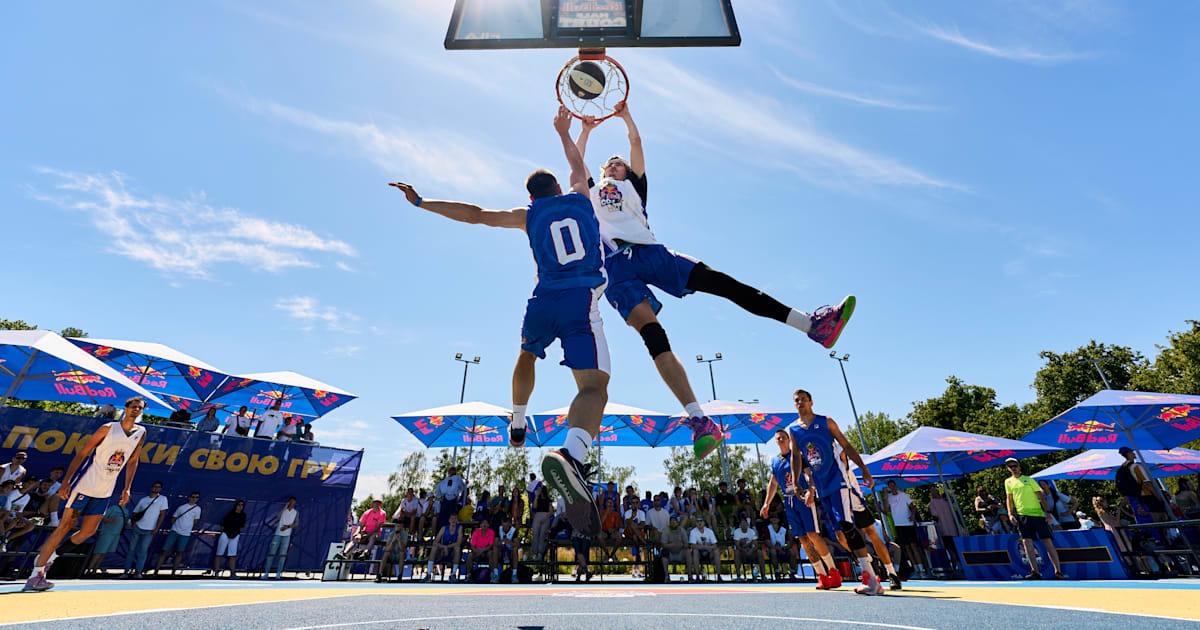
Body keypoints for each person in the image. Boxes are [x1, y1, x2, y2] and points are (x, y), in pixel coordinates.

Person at [573, 103, 855, 460]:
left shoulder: (634, 188)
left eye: (620, 163)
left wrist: (625, 115)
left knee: (725, 284)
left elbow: (636, 142)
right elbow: (576, 163)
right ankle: (700, 421)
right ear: (602, 170)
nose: (616, 163)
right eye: (610, 162)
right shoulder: (591, 192)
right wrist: (584, 130)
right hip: (616, 268)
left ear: (628, 171)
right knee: (654, 336)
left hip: (650, 252)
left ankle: (812, 326)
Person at [391, 107, 609, 537]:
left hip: (543, 297)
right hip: (582, 299)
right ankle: (572, 454)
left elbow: (474, 213)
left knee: (527, 352)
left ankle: (517, 419)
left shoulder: (528, 215)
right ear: (563, 187)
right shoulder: (583, 197)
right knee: (593, 387)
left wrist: (421, 201)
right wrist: (571, 132)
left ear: (531, 197)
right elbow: (577, 165)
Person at [21, 398, 146, 590]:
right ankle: (35, 574)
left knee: (88, 531)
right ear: (125, 409)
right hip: (85, 487)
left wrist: (127, 487)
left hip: (104, 491)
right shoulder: (108, 428)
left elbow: (132, 461)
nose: (136, 410)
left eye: (139, 408)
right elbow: (82, 454)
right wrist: (67, 481)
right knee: (66, 526)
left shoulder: (141, 432)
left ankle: (51, 558)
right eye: (133, 407)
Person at [789, 389, 883, 595]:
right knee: (840, 534)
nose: (800, 403)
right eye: (797, 401)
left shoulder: (826, 422)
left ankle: (871, 579)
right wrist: (796, 482)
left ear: (811, 402)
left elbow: (846, 445)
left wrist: (864, 469)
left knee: (847, 526)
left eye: (803, 399)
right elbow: (796, 456)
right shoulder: (794, 430)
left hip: (838, 480)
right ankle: (870, 567)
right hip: (821, 487)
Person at [760, 428, 840, 589]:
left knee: (812, 535)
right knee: (803, 539)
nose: (781, 440)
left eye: (783, 437)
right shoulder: (775, 461)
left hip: (803, 499)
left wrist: (811, 489)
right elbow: (773, 483)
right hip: (788, 501)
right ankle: (821, 575)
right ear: (775, 441)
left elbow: (811, 475)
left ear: (789, 440)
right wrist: (766, 503)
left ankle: (833, 571)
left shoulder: (798, 456)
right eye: (778, 438)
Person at [835, 446, 902, 590]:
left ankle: (891, 573)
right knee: (841, 536)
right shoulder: (812, 449)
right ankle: (864, 561)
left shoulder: (834, 444)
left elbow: (845, 455)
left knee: (870, 531)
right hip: (834, 494)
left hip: (849, 490)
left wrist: (864, 469)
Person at [1004, 458, 1063, 580]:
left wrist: (1048, 513)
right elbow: (1009, 499)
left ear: (1019, 467)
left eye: (1015, 465)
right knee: (1026, 542)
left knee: (1047, 541)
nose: (1013, 468)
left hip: (1037, 515)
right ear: (1008, 469)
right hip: (1022, 515)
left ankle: (1058, 571)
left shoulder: (1029, 480)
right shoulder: (1008, 482)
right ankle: (1034, 571)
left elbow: (1041, 496)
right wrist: (1010, 514)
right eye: (1010, 466)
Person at [122, 480, 168, 579]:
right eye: (155, 486)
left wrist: (156, 528)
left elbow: (162, 515)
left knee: (143, 551)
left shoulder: (163, 499)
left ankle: (138, 572)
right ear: (152, 488)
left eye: (158, 487)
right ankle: (125, 572)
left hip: (150, 529)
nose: (156, 488)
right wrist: (134, 523)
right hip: (138, 527)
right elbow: (135, 512)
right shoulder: (143, 500)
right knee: (131, 550)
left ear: (161, 489)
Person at [883, 479, 927, 579]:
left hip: (908, 523)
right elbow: (887, 510)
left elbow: (912, 506)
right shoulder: (889, 497)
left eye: (893, 485)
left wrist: (912, 515)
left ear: (896, 486)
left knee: (913, 546)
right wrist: (885, 495)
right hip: (898, 525)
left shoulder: (903, 495)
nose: (892, 487)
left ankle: (922, 569)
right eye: (890, 486)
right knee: (906, 547)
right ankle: (916, 570)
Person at [155, 491, 202, 575]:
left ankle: (174, 572)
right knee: (164, 551)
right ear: (189, 497)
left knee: (180, 552)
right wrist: (176, 527)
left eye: (196, 497)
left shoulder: (198, 509)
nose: (194, 499)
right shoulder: (182, 507)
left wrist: (187, 528)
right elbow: (174, 518)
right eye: (193, 497)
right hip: (175, 531)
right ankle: (156, 570)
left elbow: (195, 521)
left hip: (185, 533)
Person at [1115, 446, 1168, 522]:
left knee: (1149, 527)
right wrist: (1159, 498)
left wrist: (1132, 515)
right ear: (1128, 454)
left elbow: (1122, 505)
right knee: (1163, 520)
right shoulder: (1136, 467)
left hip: (1136, 501)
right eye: (1132, 452)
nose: (1134, 453)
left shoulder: (1122, 469)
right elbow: (1148, 484)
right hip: (1148, 497)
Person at [84, 502, 126, 576]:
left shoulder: (126, 511)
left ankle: (94, 570)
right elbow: (102, 518)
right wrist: (112, 520)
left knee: (104, 553)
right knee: (99, 552)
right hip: (107, 533)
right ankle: (88, 570)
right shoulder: (112, 508)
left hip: (116, 534)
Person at [928, 487, 961, 576]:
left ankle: (955, 568)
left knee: (949, 549)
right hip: (953, 528)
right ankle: (960, 565)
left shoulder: (933, 503)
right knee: (955, 548)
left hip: (943, 529)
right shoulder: (946, 501)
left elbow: (935, 516)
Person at [263, 496, 299, 579]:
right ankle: (266, 572)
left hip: (287, 535)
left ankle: (278, 573)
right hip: (278, 534)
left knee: (282, 555)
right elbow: (278, 517)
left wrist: (287, 527)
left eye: (293, 502)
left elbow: (296, 523)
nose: (292, 503)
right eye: (291, 501)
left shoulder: (295, 512)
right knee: (271, 553)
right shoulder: (284, 511)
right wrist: (285, 507)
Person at [212, 500, 247, 578]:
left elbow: (241, 526)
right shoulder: (230, 514)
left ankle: (232, 573)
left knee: (233, 555)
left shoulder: (243, 515)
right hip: (225, 534)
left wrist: (235, 532)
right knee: (219, 553)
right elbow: (222, 525)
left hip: (235, 535)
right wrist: (223, 532)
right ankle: (216, 573)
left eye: (242, 505)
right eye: (239, 505)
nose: (240, 506)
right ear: (235, 506)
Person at [426, 513, 464, 582]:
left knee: (457, 548)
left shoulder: (459, 528)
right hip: (442, 552)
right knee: (434, 547)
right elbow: (435, 541)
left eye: (455, 518)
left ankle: (453, 574)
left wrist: (447, 547)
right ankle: (428, 574)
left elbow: (459, 542)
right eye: (452, 518)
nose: (453, 520)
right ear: (449, 520)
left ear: (457, 520)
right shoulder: (444, 528)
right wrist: (444, 547)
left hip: (452, 552)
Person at [433, 466, 467, 532]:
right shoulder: (457, 478)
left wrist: (439, 496)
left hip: (445, 499)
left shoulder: (444, 481)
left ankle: (441, 533)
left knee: (443, 518)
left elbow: (437, 489)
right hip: (452, 500)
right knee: (451, 518)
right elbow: (463, 487)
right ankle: (449, 532)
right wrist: (465, 484)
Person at [732, 517, 765, 581]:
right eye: (742, 523)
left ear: (747, 524)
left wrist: (751, 550)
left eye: (745, 523)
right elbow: (737, 545)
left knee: (759, 552)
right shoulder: (737, 532)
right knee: (736, 552)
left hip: (751, 552)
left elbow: (756, 544)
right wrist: (743, 549)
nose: (744, 525)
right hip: (742, 552)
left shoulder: (752, 531)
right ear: (740, 525)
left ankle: (763, 576)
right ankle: (738, 576)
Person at [689, 517, 721, 581]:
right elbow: (693, 546)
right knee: (695, 552)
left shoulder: (709, 531)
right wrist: (705, 547)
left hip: (709, 552)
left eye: (701, 521)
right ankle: (697, 576)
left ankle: (719, 575)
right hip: (699, 553)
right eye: (697, 521)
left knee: (716, 552)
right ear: (696, 523)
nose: (699, 523)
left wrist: (710, 548)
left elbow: (715, 544)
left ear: (704, 522)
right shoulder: (693, 532)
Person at [660, 515, 690, 581]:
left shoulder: (682, 530)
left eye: (674, 521)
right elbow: (663, 545)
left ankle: (690, 575)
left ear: (677, 522)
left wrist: (682, 545)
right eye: (671, 521)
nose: (673, 522)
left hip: (680, 553)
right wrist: (673, 544)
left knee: (688, 551)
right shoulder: (666, 530)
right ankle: (666, 576)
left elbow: (687, 544)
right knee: (664, 553)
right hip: (670, 553)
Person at [765, 514, 795, 580]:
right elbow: (768, 543)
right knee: (773, 552)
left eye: (776, 517)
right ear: (770, 520)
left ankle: (792, 572)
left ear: (779, 520)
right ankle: (777, 572)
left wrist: (784, 547)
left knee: (792, 552)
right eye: (772, 518)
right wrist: (777, 548)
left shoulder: (784, 529)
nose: (774, 519)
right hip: (772, 549)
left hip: (783, 548)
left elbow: (788, 543)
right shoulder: (768, 529)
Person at [529, 484, 553, 561]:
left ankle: (540, 553)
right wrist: (536, 496)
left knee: (542, 535)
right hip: (538, 515)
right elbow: (534, 507)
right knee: (535, 534)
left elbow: (551, 511)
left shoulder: (548, 500)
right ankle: (534, 552)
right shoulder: (538, 499)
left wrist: (546, 518)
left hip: (545, 516)